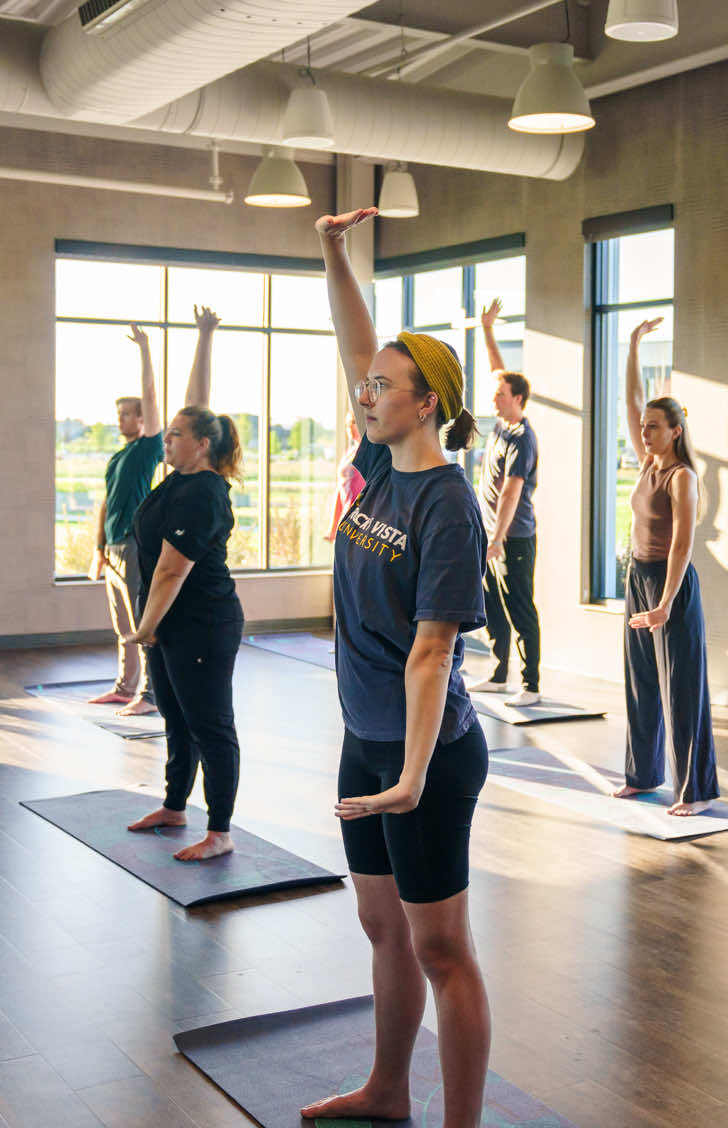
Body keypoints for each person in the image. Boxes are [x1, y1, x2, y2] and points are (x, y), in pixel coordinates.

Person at [302, 208, 492, 1128]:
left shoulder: (447, 507)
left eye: (383, 387)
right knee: (383, 927)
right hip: (366, 740)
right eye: (365, 386)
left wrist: (411, 777)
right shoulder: (373, 465)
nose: (365, 394)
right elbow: (358, 343)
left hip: (428, 760)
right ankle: (387, 1092)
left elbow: (433, 651)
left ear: (427, 404)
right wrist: (334, 253)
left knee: (442, 948)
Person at [122, 308, 244, 863]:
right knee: (175, 716)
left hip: (201, 624)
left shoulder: (203, 492)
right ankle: (175, 805)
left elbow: (173, 569)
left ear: (202, 444)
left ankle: (220, 830)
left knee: (210, 724)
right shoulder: (177, 479)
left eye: (175, 434)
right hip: (171, 624)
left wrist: (143, 628)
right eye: (166, 433)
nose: (165, 440)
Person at [614, 317, 720, 817]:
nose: (644, 431)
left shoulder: (681, 478)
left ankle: (694, 791)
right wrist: (633, 344)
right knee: (640, 681)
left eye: (654, 427)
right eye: (643, 428)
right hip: (637, 577)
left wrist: (663, 604)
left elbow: (682, 546)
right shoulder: (647, 463)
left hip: (670, 586)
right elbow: (632, 401)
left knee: (681, 687)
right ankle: (642, 775)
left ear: (675, 432)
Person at [87, 328, 164, 713]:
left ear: (140, 419)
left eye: (125, 414)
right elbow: (105, 503)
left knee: (140, 624)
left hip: (134, 545)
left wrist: (146, 350)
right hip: (113, 548)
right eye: (117, 414)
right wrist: (98, 549)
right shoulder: (118, 458)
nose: (119, 420)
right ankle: (124, 686)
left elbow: (151, 396)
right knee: (122, 627)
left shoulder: (147, 449)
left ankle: (150, 694)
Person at [472, 297, 542, 704]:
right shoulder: (501, 422)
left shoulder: (522, 437)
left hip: (513, 537)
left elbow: (513, 492)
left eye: (501, 393)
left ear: (518, 399)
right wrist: (486, 330)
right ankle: (499, 674)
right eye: (496, 391)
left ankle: (530, 684)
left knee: (519, 606)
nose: (494, 396)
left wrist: (497, 539)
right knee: (492, 606)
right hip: (490, 534)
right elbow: (498, 368)